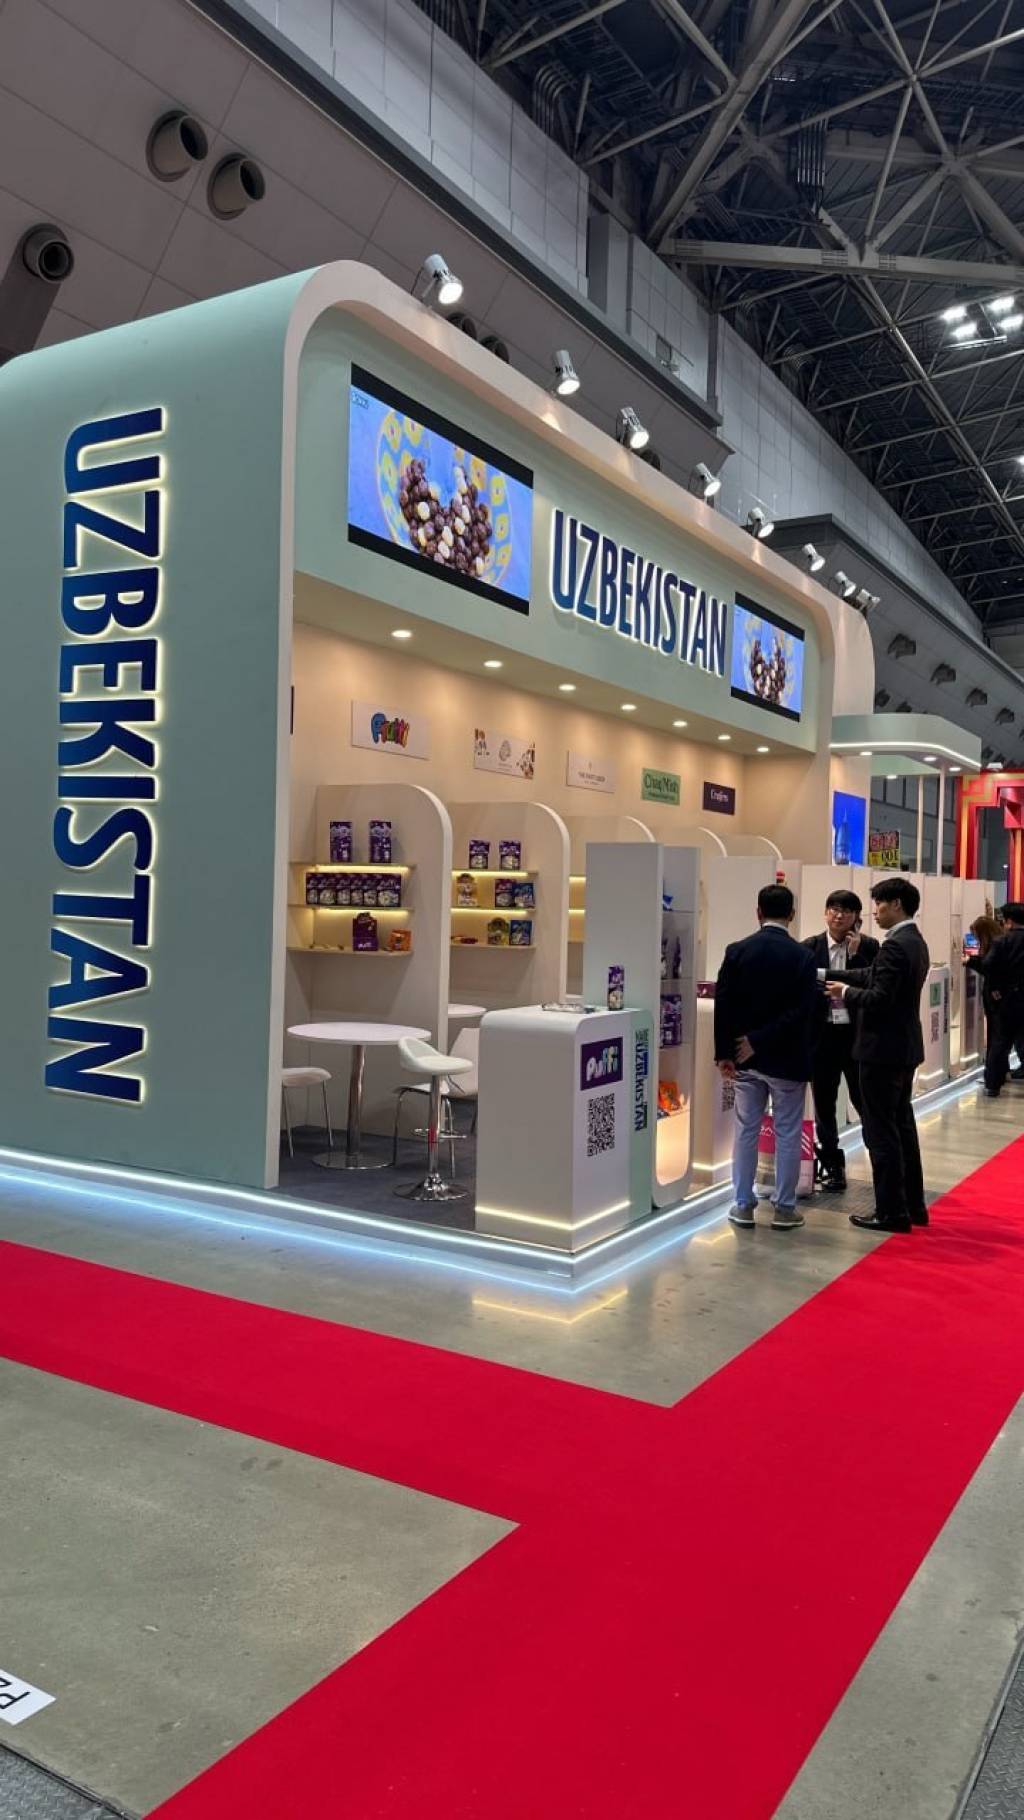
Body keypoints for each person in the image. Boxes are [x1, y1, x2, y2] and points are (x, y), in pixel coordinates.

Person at [826, 876, 930, 1234]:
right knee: (902, 1127)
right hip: (903, 1049)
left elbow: (878, 998)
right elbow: (872, 975)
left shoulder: (896, 945)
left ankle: (890, 1212)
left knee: (881, 1131)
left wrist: (843, 993)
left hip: (881, 1051)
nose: (875, 912)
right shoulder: (913, 940)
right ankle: (913, 1206)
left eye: (880, 904)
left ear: (896, 904)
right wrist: (831, 974)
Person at [714, 883, 819, 1233]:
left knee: (745, 1130)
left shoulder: (737, 951)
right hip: (787, 1060)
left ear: (758, 912)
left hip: (744, 1059)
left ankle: (743, 1204)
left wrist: (725, 1053)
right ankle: (784, 1208)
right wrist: (759, 1041)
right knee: (788, 1132)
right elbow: (802, 1011)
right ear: (792, 914)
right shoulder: (803, 957)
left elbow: (723, 1005)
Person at [802, 890, 879, 1191]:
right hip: (822, 1037)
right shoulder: (809, 947)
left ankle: (880, 1162)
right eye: (833, 909)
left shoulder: (870, 947)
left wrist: (858, 952)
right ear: (825, 913)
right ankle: (833, 1166)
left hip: (857, 1037)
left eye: (846, 911)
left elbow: (876, 983)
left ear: (856, 918)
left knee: (865, 1101)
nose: (838, 915)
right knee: (824, 1104)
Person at [980, 902, 1024, 1096]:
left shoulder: (1001, 942)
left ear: (1009, 921)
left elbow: (988, 965)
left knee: (1001, 1042)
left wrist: (996, 989)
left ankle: (993, 1084)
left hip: (1007, 999)